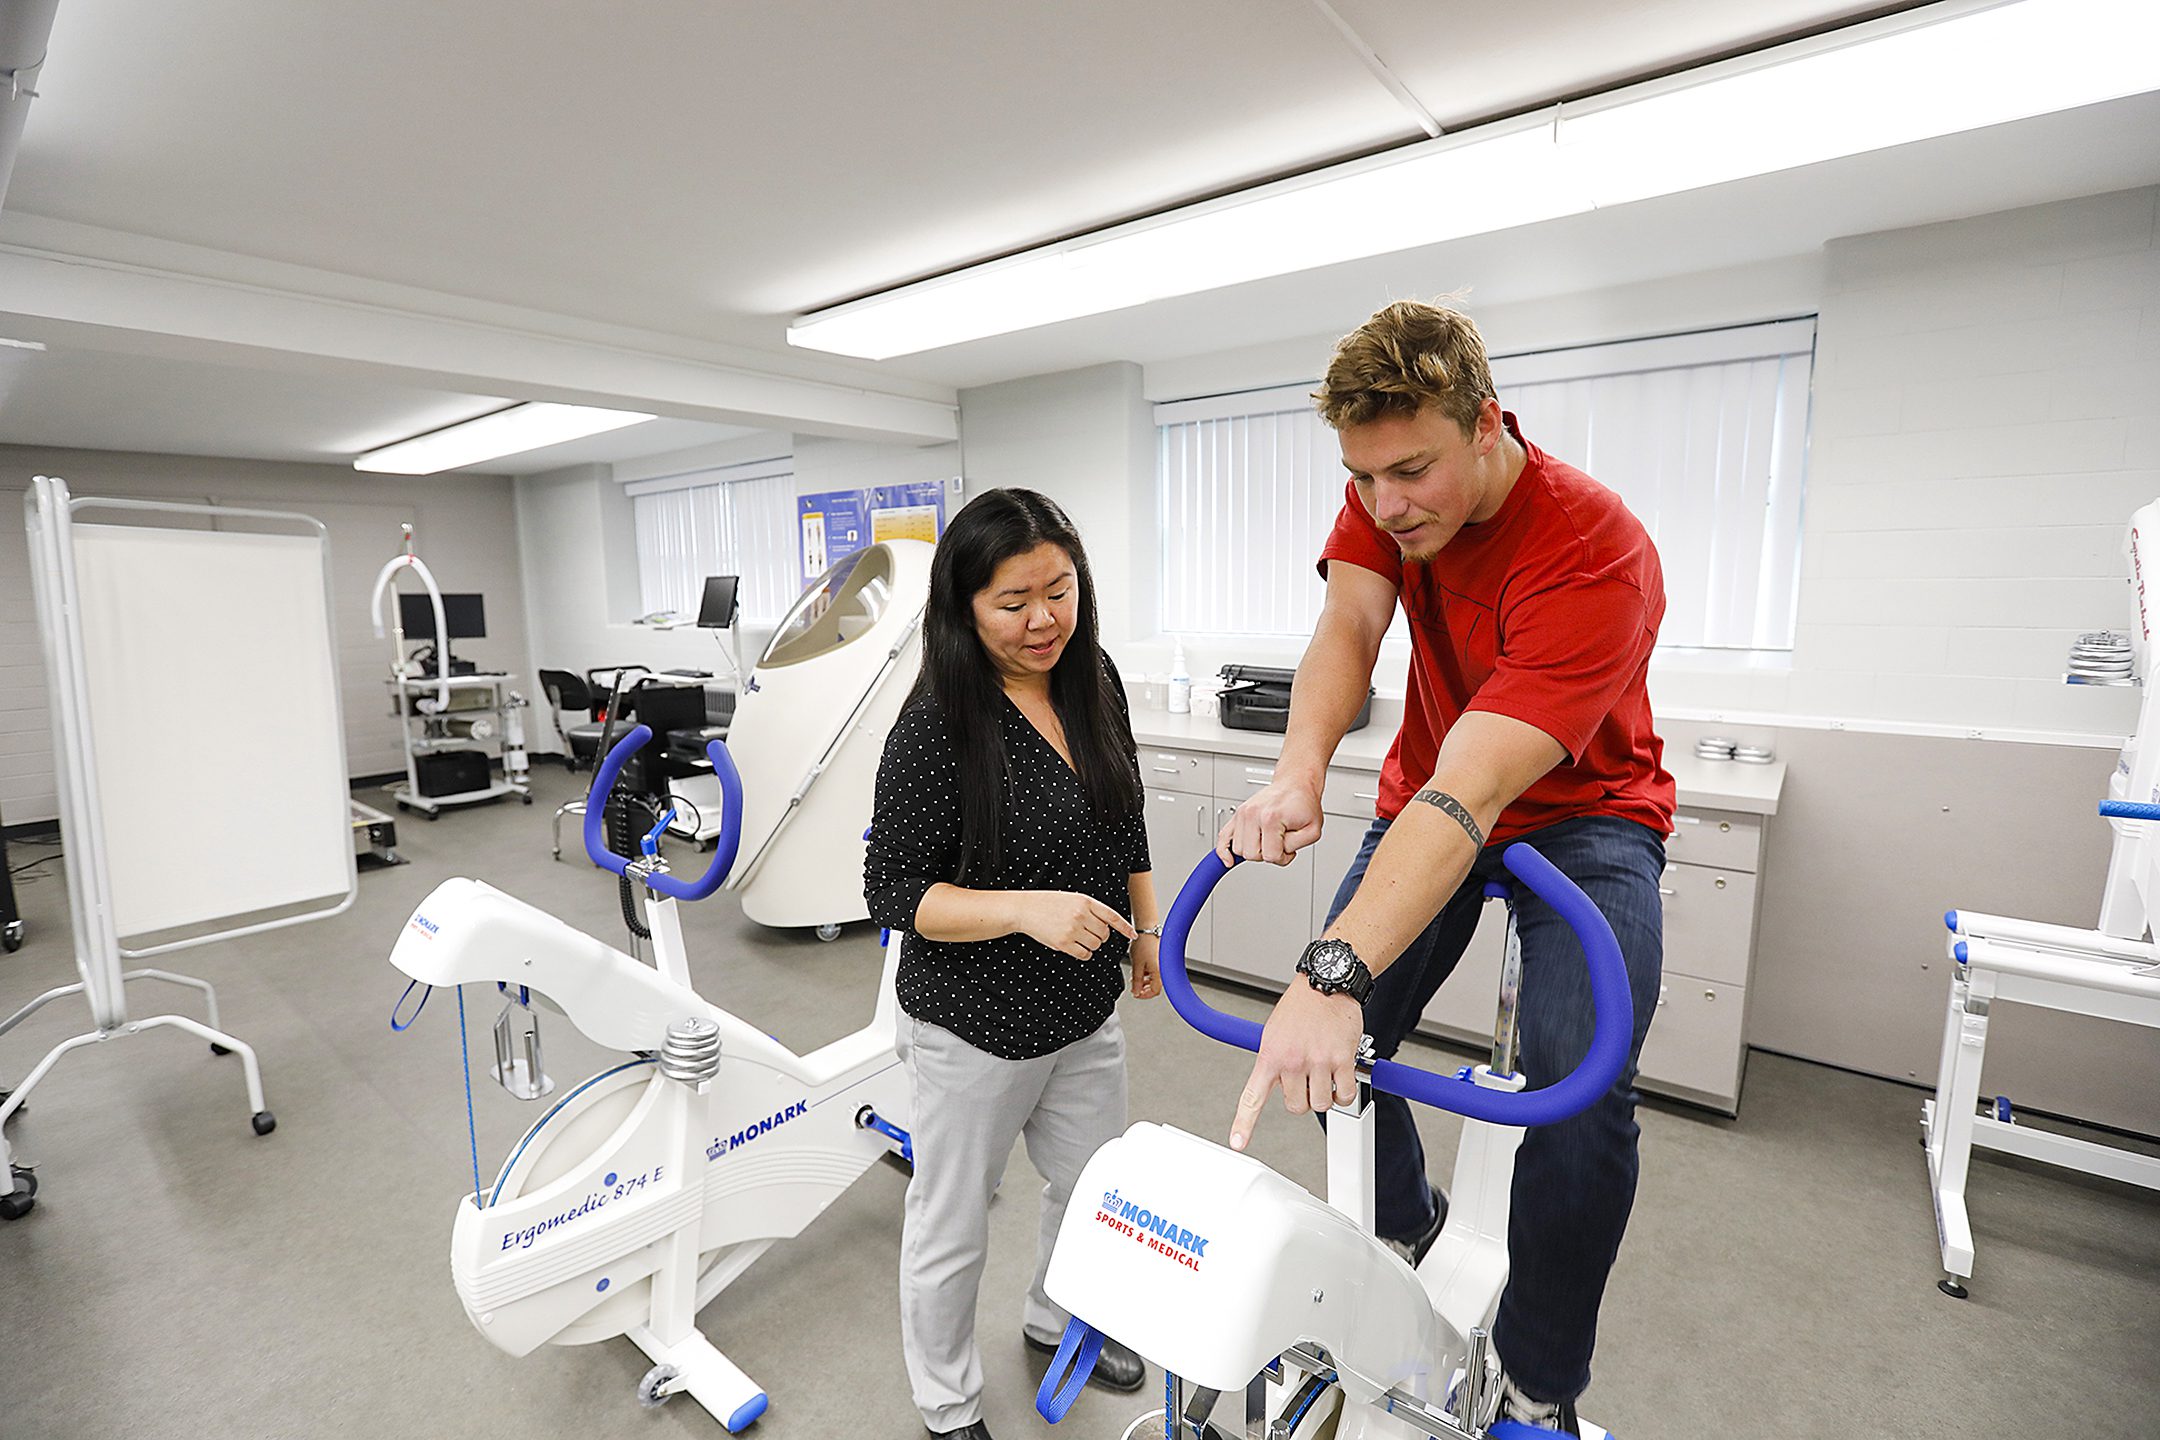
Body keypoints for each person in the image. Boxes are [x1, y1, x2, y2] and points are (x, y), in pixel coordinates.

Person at [1218, 300, 1673, 1436]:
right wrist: (1297, 774)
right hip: (1428, 792)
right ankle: (1411, 1229)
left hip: (1584, 816)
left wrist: (1329, 971)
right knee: (1333, 1046)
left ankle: (1539, 1376)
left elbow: (1476, 790)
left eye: (1410, 472)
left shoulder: (1593, 548)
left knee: (1583, 1080)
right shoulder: (1391, 493)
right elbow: (1347, 630)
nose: (1386, 504)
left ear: (1485, 424)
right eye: (1362, 478)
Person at [865, 487, 1161, 1440]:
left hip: (1084, 1010)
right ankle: (946, 1401)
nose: (1044, 621)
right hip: (974, 1027)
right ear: (964, 608)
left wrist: (1146, 926)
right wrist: (1027, 910)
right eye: (1013, 602)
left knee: (1092, 1194)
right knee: (952, 1225)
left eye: (1059, 591)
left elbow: (1125, 813)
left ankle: (1055, 1317)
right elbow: (894, 894)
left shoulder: (1091, 677)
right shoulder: (936, 725)